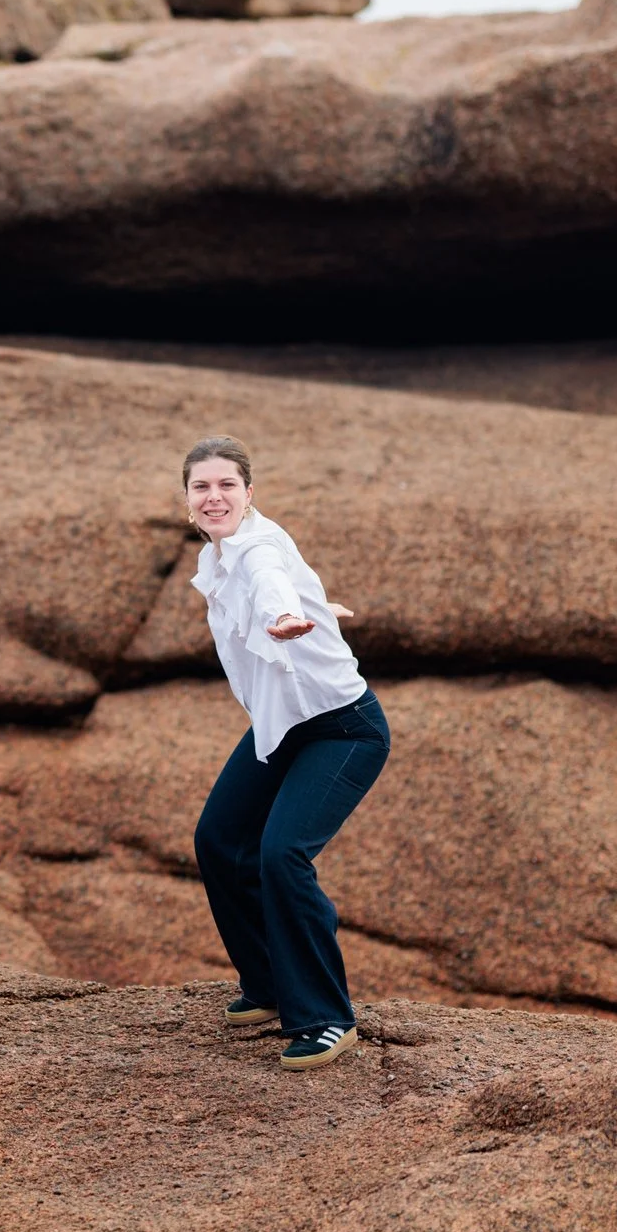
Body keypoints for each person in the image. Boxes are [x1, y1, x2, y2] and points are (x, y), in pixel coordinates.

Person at [184, 435, 388, 1071]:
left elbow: (270, 578)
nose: (214, 497)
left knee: (282, 854)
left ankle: (326, 1016)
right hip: (283, 725)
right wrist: (315, 608)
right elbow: (271, 583)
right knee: (218, 839)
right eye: (201, 487)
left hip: (342, 728)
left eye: (227, 486)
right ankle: (270, 984)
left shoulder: (257, 546)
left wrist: (287, 614)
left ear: (250, 495)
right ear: (186, 500)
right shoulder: (216, 558)